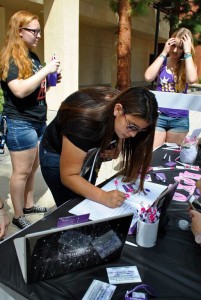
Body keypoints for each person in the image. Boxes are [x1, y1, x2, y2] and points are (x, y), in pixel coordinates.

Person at [40, 86, 158, 208]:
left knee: (86, 198)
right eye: (132, 127)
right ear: (118, 109)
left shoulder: (122, 110)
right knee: (71, 207)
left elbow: (123, 128)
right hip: (55, 153)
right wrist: (103, 196)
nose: (133, 135)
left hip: (85, 150)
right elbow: (69, 176)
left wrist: (118, 146)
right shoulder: (84, 122)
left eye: (140, 130)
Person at [0, 11, 61, 229]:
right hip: (20, 123)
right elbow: (19, 91)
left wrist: (50, 80)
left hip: (37, 121)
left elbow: (36, 89)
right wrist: (45, 70)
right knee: (21, 172)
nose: (38, 36)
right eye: (34, 31)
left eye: (39, 31)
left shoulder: (32, 57)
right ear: (19, 31)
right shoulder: (10, 58)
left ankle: (28, 205)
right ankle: (18, 215)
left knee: (33, 167)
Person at [144, 27, 198, 149]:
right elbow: (148, 76)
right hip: (159, 115)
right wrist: (163, 52)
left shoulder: (188, 64)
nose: (175, 50)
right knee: (153, 153)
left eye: (180, 47)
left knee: (171, 156)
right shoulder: (162, 61)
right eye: (173, 45)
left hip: (180, 119)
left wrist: (188, 52)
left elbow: (191, 79)